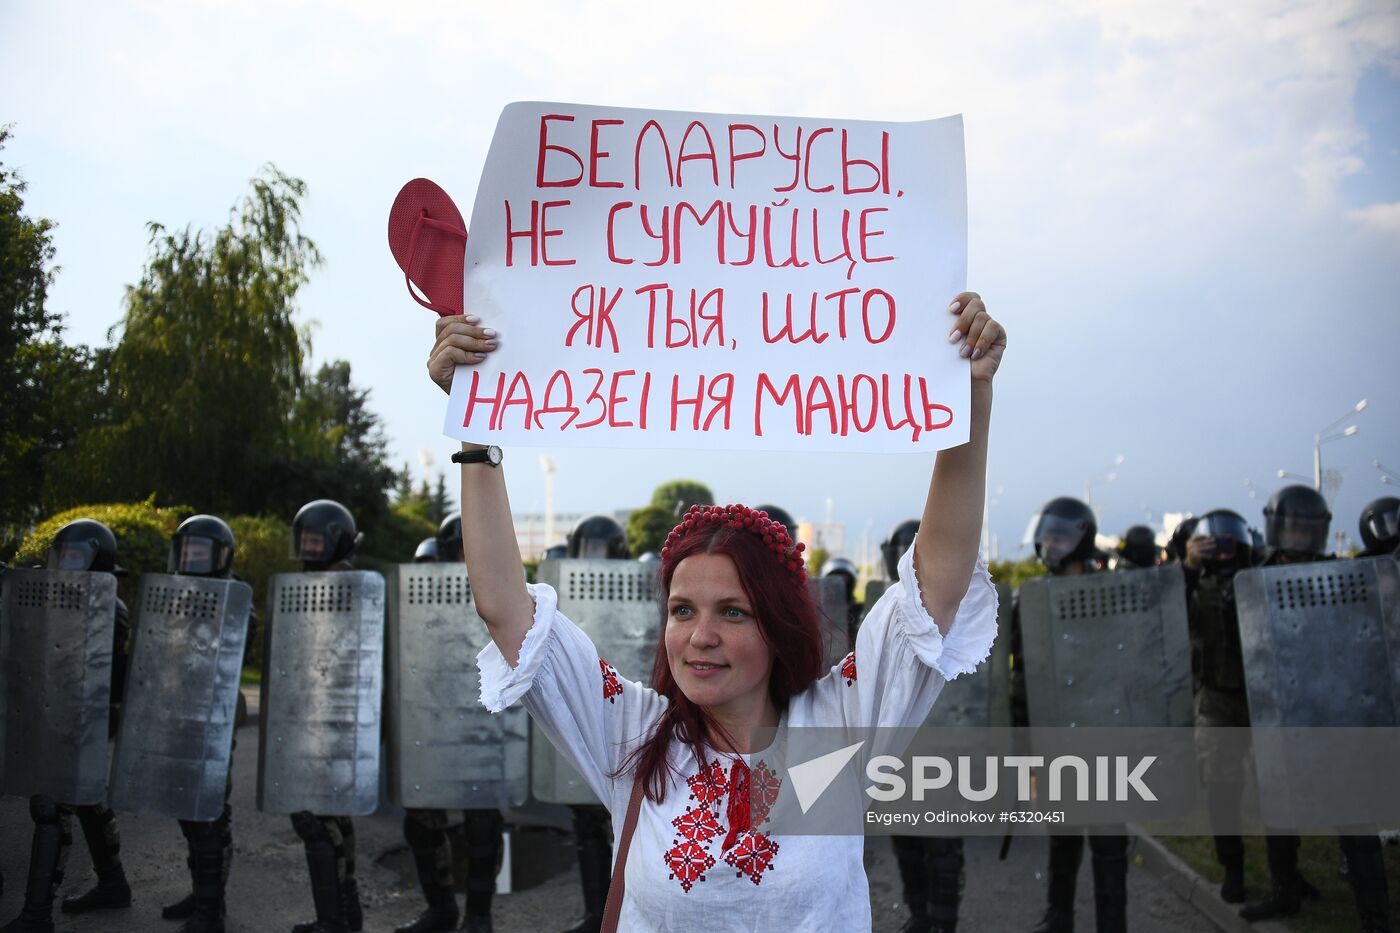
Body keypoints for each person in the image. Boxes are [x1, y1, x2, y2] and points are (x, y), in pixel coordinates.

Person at [425, 290, 1003, 930]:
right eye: (681, 610)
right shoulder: (632, 734)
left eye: (733, 612)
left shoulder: (842, 722)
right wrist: (476, 426)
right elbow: (506, 610)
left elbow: (937, 585)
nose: (699, 636)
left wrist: (970, 397)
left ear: (779, 626)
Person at [1240, 486, 1391, 932]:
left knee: (1355, 813)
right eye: (1291, 528)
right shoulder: (1254, 580)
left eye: (1307, 529)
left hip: (1336, 711)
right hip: (1282, 715)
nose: (1298, 537)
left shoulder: (1343, 577)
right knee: (1279, 811)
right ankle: (1286, 892)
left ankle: (1375, 915)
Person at [3, 520, 132, 933]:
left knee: (52, 803)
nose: (67, 563)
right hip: (48, 710)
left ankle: (37, 916)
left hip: (83, 716)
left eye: (76, 556)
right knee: (88, 797)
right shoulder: (46, 589)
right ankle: (113, 884)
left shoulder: (110, 607)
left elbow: (95, 674)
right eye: (64, 555)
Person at [1010, 497, 1128, 933]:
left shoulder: (1109, 596)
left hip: (1103, 737)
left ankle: (1113, 924)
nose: (1050, 544)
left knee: (1109, 839)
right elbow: (1022, 677)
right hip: (1057, 738)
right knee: (1062, 835)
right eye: (1046, 536)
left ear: (1081, 539)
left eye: (1059, 536)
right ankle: (1058, 917)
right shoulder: (1032, 599)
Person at [397, 515, 503, 933]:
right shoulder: (428, 593)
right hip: (433, 719)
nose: (468, 559)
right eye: (462, 550)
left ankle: (479, 916)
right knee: (421, 818)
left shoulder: (505, 594)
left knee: (482, 823)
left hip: (482, 724)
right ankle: (441, 908)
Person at [158, 514, 249, 933]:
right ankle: (200, 893)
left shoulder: (235, 597)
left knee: (209, 810)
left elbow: (236, 644)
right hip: (178, 710)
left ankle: (212, 910)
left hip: (215, 715)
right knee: (186, 808)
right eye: (188, 550)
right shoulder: (170, 593)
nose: (192, 558)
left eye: (200, 551)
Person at [287, 499, 366, 933]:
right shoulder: (314, 582)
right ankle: (344, 915)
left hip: (333, 719)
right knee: (332, 814)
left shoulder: (346, 585)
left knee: (314, 817)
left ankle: (333, 920)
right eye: (305, 541)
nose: (308, 549)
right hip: (323, 718)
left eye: (317, 541)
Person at [557, 514, 630, 933]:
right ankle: (595, 914)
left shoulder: (639, 586)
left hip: (628, 719)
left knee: (630, 827)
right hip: (588, 716)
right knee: (585, 820)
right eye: (589, 549)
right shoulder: (564, 586)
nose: (594, 560)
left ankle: (623, 913)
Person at [1181, 509, 1255, 904]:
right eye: (1214, 544)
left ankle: (1287, 873)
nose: (1223, 551)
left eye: (1229, 542)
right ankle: (1234, 870)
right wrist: (1189, 566)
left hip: (1261, 697)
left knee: (1279, 783)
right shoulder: (1193, 587)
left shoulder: (1256, 580)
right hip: (1215, 698)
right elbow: (1170, 608)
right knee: (1223, 786)